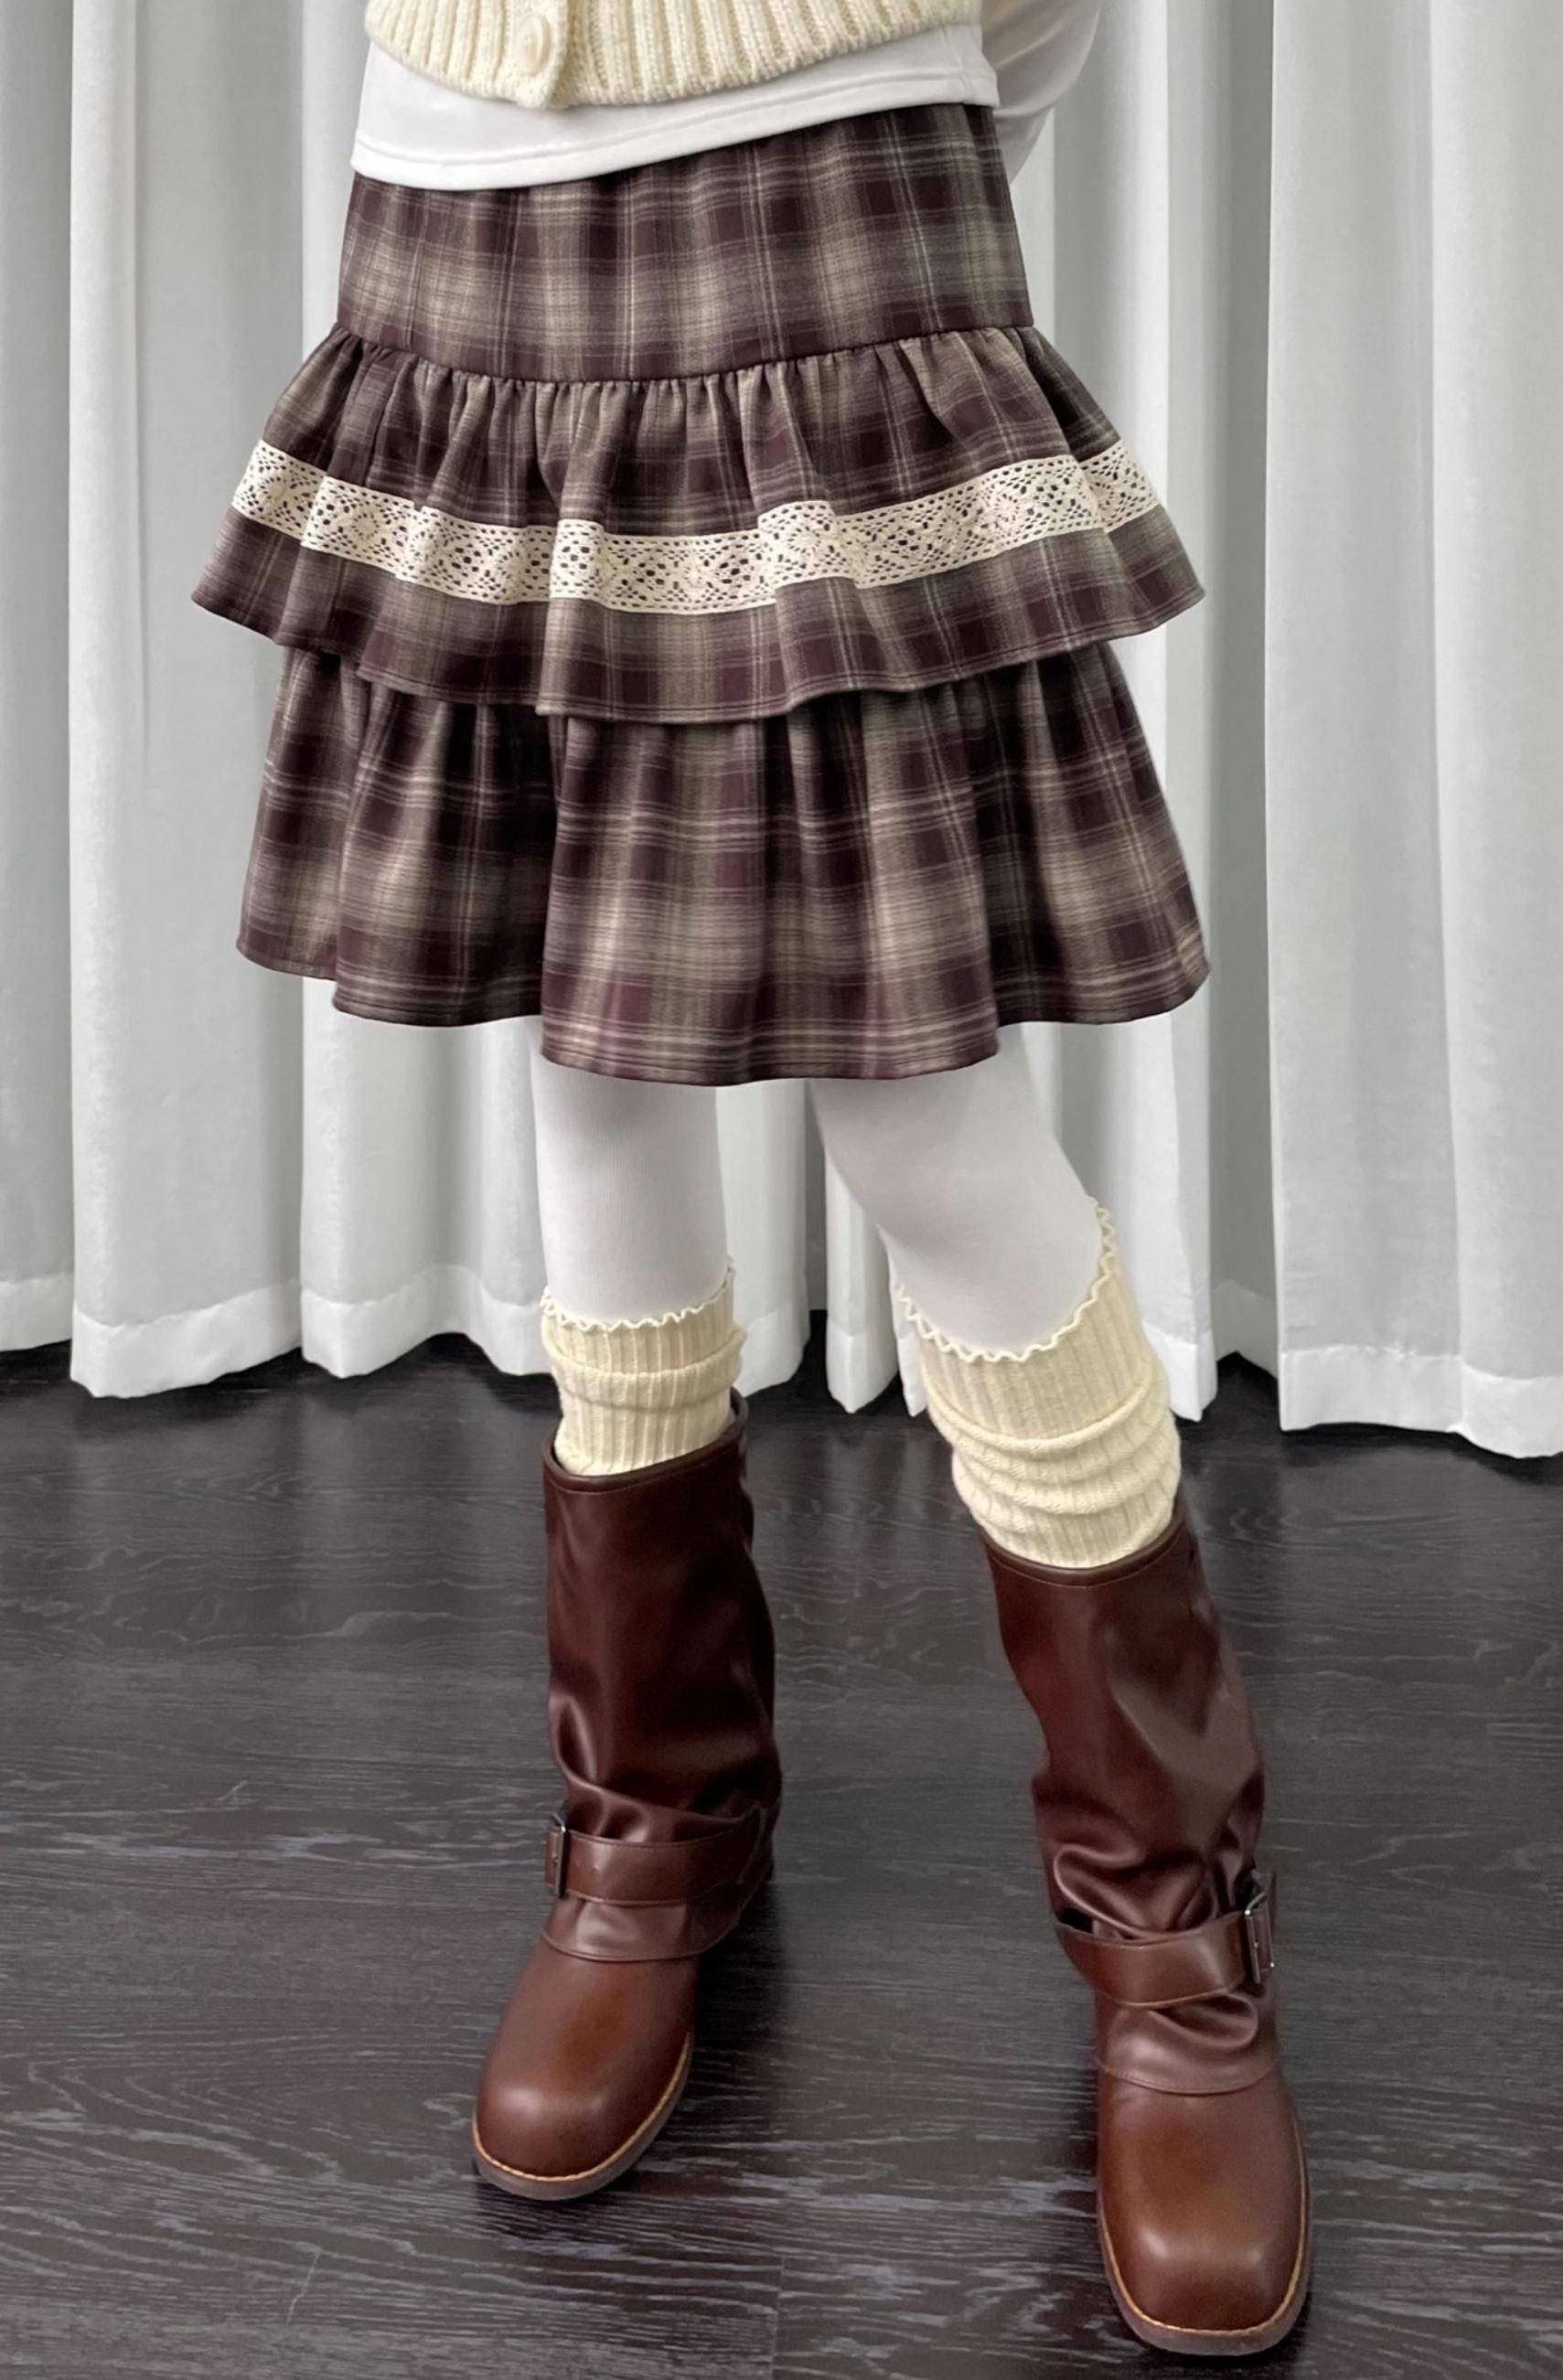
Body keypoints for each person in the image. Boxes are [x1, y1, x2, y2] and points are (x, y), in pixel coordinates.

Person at [189, 0, 1311, 2353]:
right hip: (460, 203)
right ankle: (654, 1828)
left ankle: (1173, 1934)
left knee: (922, 1108)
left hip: (832, 174)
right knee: (589, 1071)